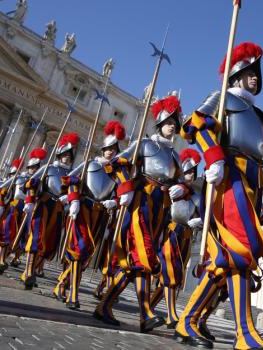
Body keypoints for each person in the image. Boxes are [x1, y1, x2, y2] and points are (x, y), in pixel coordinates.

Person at [174, 42, 263, 350]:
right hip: (229, 180)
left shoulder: (259, 115)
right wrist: (213, 157)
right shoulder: (221, 98)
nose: (255, 78)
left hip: (254, 186)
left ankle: (188, 319)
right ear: (236, 74)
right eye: (249, 72)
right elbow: (194, 125)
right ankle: (245, 333)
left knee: (225, 258)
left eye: (257, 73)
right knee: (243, 249)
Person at [93, 95, 186, 333]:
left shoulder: (175, 155)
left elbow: (182, 181)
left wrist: (180, 187)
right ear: (159, 123)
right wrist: (125, 188)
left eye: (175, 122)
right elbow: (116, 163)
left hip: (160, 209)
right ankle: (145, 314)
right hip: (140, 204)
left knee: (136, 262)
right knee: (143, 257)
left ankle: (104, 306)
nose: (172, 125)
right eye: (169, 121)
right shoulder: (144, 144)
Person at [58, 121, 122, 309]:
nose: (110, 151)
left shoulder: (116, 172)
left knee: (86, 255)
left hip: (101, 214)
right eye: (108, 148)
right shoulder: (89, 164)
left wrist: (115, 202)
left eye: (114, 149)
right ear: (103, 149)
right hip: (84, 210)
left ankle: (62, 283)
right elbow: (71, 181)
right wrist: (75, 199)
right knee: (78, 251)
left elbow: (120, 194)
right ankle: (73, 295)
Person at [150, 148, 204, 328]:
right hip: (170, 233)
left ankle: (148, 306)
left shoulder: (196, 194)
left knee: (176, 275)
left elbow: (203, 214)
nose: (190, 174)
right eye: (187, 170)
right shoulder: (172, 186)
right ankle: (171, 314)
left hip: (187, 237)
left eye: (193, 171)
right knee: (170, 272)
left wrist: (200, 221)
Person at [22, 132, 80, 290]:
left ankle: (33, 270)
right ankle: (28, 272)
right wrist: (30, 200)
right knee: (36, 239)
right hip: (43, 206)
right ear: (59, 155)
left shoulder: (71, 174)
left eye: (69, 155)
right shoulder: (48, 168)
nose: (67, 158)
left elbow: (75, 191)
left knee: (48, 243)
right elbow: (30, 184)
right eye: (64, 155)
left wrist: (69, 200)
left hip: (59, 210)